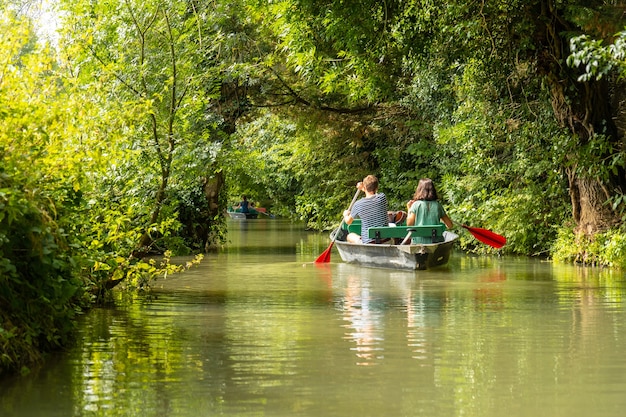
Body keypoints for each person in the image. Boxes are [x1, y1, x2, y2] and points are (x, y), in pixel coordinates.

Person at [343, 175, 389, 244]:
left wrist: (345, 214)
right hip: (385, 241)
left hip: (368, 243)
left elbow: (348, 222)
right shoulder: (382, 198)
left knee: (350, 236)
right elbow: (374, 193)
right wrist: (363, 188)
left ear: (364, 187)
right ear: (377, 187)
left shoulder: (358, 204)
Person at [406, 178, 454, 243]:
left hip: (418, 241)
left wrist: (409, 209)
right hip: (436, 241)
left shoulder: (415, 205)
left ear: (419, 190)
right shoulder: (438, 206)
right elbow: (450, 226)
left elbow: (409, 224)